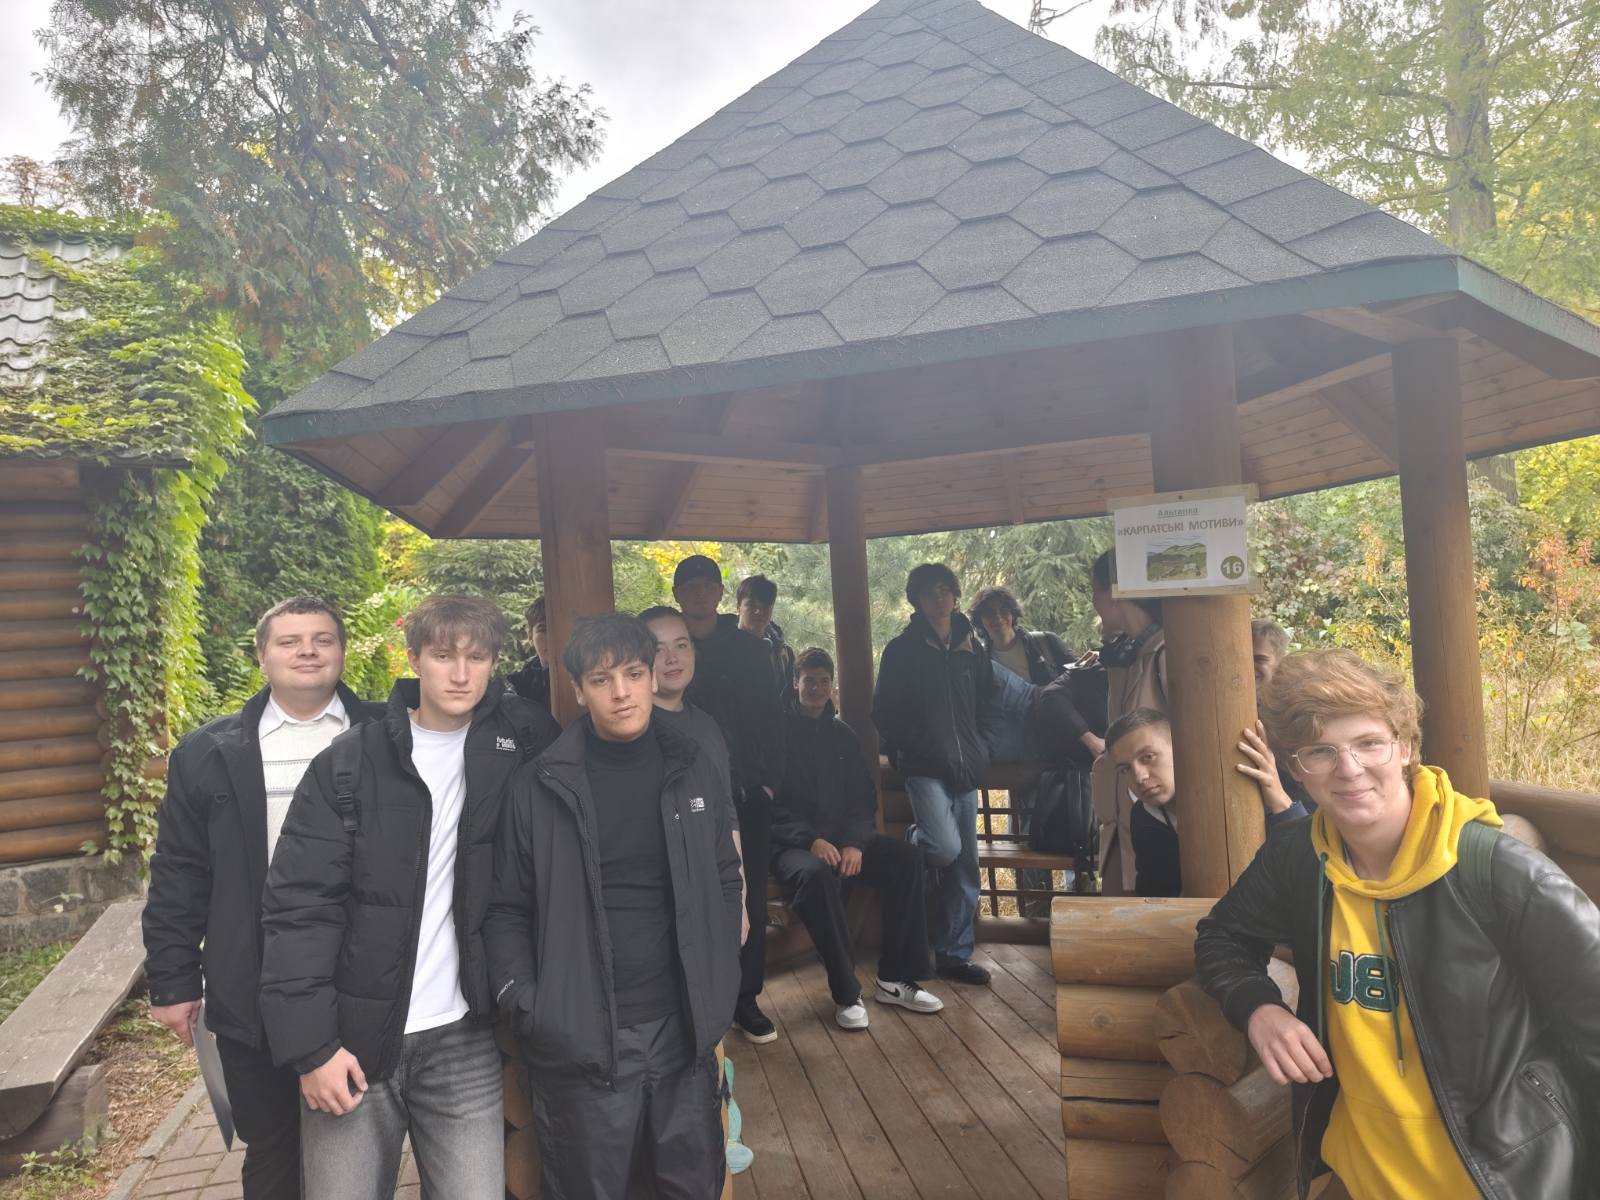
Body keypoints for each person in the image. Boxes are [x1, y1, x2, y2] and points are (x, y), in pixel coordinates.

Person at [1195, 649, 1600, 1200]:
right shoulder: (1298, 858)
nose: (1349, 769)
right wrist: (1258, 1008)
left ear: (1405, 747)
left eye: (1369, 743)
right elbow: (1223, 936)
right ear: (1296, 768)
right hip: (1359, 1174)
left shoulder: (1499, 872)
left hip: (1498, 1181)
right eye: (1321, 751)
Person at [259, 594, 560, 1200]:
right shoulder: (350, 763)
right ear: (415, 658)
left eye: (477, 658)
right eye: (443, 655)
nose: (460, 673)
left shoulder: (522, 746)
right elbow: (299, 908)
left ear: (495, 663)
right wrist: (311, 1047)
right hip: (351, 1041)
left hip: (463, 1040)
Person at [485, 614, 743, 1199]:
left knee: (691, 1188)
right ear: (579, 691)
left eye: (633, 673)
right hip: (582, 1037)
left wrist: (720, 971)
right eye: (601, 680)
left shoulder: (691, 766)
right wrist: (530, 1005)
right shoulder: (540, 786)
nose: (621, 692)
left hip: (683, 1030)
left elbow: (724, 875)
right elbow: (505, 909)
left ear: (652, 677)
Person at [143, 596, 382, 1200]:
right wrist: (172, 980)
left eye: (322, 639)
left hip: (360, 974)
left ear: (342, 651)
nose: (307, 651)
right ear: (262, 656)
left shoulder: (386, 736)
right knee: (273, 1148)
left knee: (362, 1144)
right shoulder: (208, 752)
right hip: (249, 981)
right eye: (289, 641)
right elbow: (179, 871)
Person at [773, 648, 943, 1028]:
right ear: (795, 683)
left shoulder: (843, 735)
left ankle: (896, 978)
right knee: (817, 875)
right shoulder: (777, 734)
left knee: (906, 860)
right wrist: (810, 840)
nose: (816, 688)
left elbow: (863, 798)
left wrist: (854, 842)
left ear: (831, 687)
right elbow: (771, 805)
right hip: (794, 846)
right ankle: (847, 993)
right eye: (809, 680)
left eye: (823, 681)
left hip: (843, 841)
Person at [673, 554, 786, 1042]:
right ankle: (693, 999)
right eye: (690, 585)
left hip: (745, 791)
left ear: (721, 594)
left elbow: (773, 719)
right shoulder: (665, 646)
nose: (699, 592)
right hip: (679, 792)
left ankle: (745, 998)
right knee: (683, 891)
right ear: (677, 594)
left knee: (748, 897)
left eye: (708, 584)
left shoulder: (749, 650)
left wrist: (768, 781)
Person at [872, 563, 995, 987]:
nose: (938, 598)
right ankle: (915, 840)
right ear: (917, 601)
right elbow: (883, 712)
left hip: (966, 770)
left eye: (944, 590)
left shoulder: (973, 648)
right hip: (924, 768)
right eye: (929, 592)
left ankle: (954, 955)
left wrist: (983, 748)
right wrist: (912, 748)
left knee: (966, 866)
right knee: (943, 849)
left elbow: (989, 702)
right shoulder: (901, 650)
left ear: (956, 596)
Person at [969, 585, 1088, 915]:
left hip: (1055, 741)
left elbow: (1077, 680)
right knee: (1027, 828)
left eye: (1002, 610)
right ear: (980, 621)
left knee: (1070, 820)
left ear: (1013, 613)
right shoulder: (982, 661)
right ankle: (1037, 907)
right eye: (988, 613)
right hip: (1016, 747)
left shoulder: (1044, 643)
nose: (997, 618)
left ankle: (1076, 904)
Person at [1105, 707, 1306, 897]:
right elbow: (1153, 893)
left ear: (1180, 748)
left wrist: (1281, 804)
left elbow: (1312, 867)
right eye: (1125, 769)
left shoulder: (1246, 787)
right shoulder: (1143, 816)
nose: (1139, 777)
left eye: (1148, 757)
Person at [640, 604, 748, 947]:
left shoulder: (706, 725)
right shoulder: (632, 727)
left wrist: (740, 898)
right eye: (657, 649)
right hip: (654, 900)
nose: (672, 658)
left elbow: (726, 814)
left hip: (712, 886)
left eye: (681, 645)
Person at [1088, 550, 1167, 895]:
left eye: (1094, 589)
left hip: (1161, 836)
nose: (1093, 601)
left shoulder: (1165, 654)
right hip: (1123, 832)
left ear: (1114, 591)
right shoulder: (1130, 656)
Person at [736, 574, 796, 700]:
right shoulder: (725, 648)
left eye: (765, 606)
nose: (759, 611)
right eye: (751, 605)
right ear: (738, 607)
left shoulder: (783, 653)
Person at [507, 595, 550, 708]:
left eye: (559, 629)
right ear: (530, 635)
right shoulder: (520, 687)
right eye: (543, 630)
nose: (552, 637)